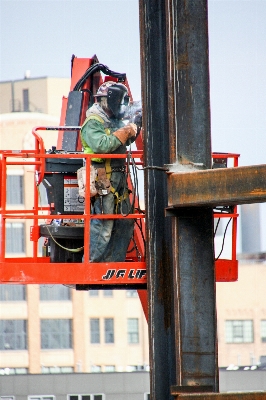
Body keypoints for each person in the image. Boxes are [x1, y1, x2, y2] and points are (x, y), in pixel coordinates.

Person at [80, 81, 137, 262]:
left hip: (119, 176)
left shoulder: (114, 121)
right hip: (103, 177)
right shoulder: (93, 122)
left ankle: (113, 262)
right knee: (104, 224)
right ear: (108, 101)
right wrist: (126, 131)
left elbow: (122, 141)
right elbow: (102, 145)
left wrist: (135, 126)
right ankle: (92, 264)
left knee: (126, 221)